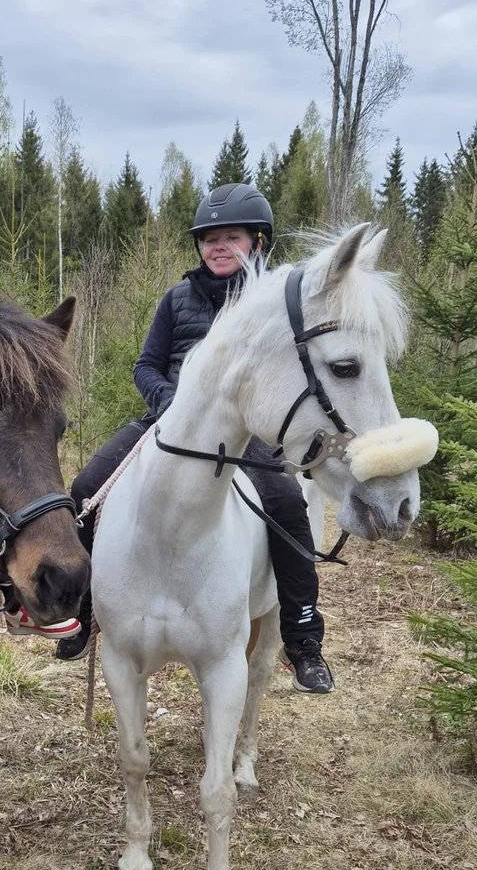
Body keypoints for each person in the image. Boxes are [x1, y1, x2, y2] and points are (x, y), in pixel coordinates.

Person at [54, 182, 335, 694]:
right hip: (165, 425)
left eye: (231, 237)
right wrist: (167, 401)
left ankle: (303, 637)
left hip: (243, 432)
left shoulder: (272, 308)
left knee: (288, 503)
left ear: (259, 242)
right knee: (85, 490)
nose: (218, 247)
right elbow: (146, 366)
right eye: (209, 239)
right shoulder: (177, 299)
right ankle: (87, 612)